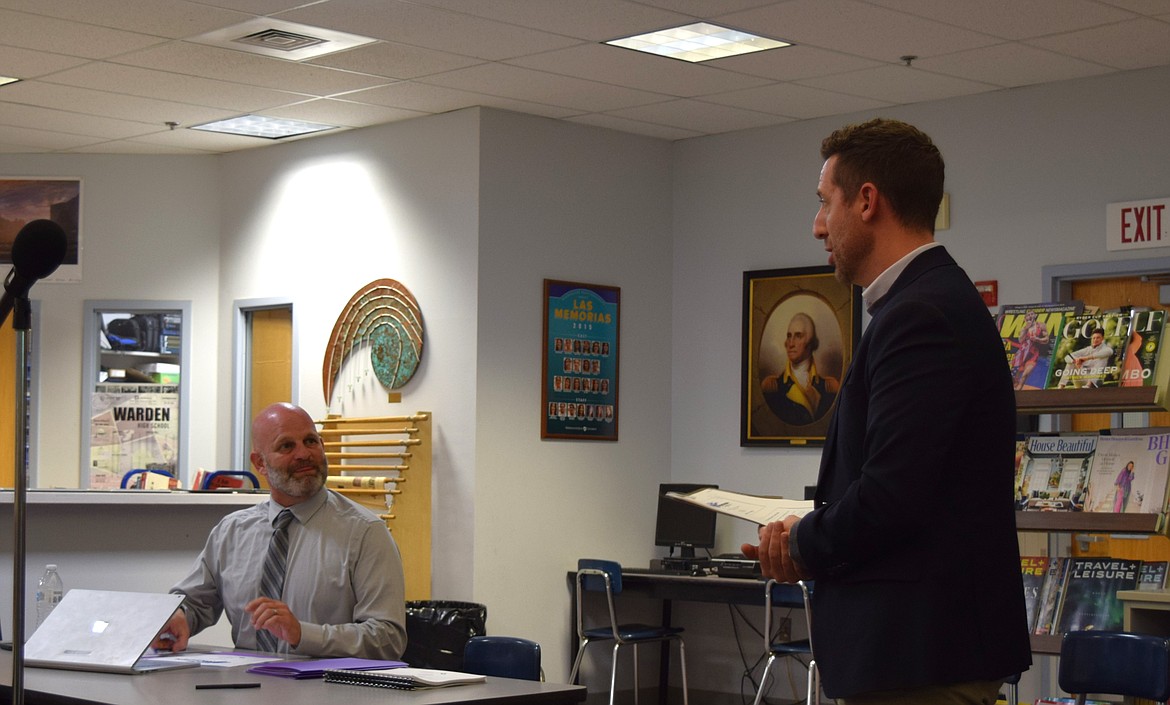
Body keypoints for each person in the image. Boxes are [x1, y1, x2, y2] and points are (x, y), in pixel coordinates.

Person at [742, 118, 1031, 704]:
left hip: (921, 658)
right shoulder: (921, 305)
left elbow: (892, 496)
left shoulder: (921, 315)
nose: (818, 225)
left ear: (867, 201)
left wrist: (801, 541)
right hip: (914, 654)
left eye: (827, 204)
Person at [152, 402, 408, 659]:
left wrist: (302, 634)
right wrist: (179, 616)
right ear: (259, 463)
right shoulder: (232, 532)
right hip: (244, 688)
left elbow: (387, 639)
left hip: (327, 693)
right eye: (287, 446)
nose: (303, 454)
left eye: (310, 441)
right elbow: (194, 603)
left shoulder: (365, 533)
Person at [761, 311, 840, 425]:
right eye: (789, 336)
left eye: (798, 336)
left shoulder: (829, 387)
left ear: (810, 342)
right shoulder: (773, 388)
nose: (791, 343)